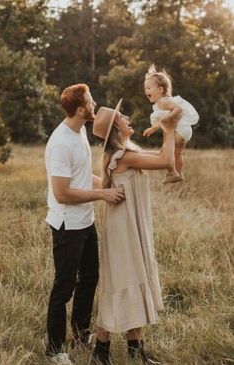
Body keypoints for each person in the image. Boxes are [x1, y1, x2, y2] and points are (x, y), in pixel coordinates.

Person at [91, 99, 177, 365]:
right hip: (122, 229)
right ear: (116, 130)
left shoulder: (128, 150)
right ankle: (100, 353)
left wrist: (169, 131)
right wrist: (170, 128)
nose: (127, 118)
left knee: (135, 280)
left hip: (130, 225)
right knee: (122, 284)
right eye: (122, 117)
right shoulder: (122, 157)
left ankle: (136, 352)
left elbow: (162, 157)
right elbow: (165, 160)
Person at [44, 84, 125, 365]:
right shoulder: (60, 143)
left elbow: (81, 177)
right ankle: (54, 349)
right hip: (67, 224)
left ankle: (80, 335)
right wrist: (103, 194)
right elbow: (62, 193)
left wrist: (106, 184)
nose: (95, 104)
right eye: (91, 101)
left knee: (89, 278)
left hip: (85, 221)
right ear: (81, 110)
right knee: (63, 287)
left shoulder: (79, 134)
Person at [143, 64, 199, 184]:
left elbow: (178, 109)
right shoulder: (161, 104)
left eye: (148, 88)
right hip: (185, 131)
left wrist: (167, 119)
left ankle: (172, 172)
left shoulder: (163, 102)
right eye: (145, 89)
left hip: (179, 129)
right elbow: (161, 119)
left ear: (160, 90)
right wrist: (153, 128)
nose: (146, 91)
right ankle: (177, 172)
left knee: (166, 151)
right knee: (177, 153)